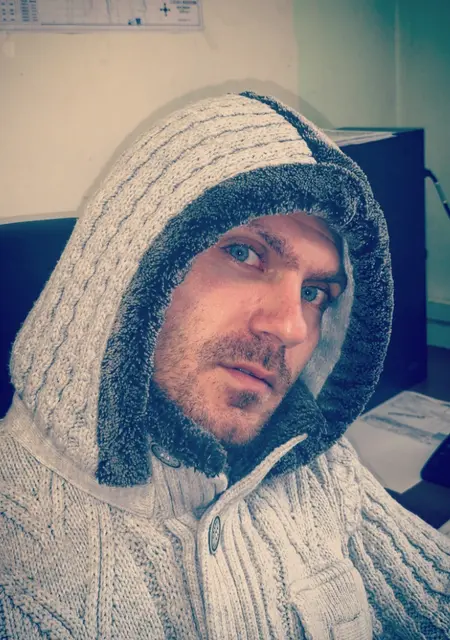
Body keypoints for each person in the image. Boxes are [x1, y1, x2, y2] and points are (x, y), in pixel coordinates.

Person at [0, 91, 449, 639]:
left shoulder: (310, 463)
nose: (291, 327)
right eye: (243, 253)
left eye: (314, 293)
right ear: (135, 261)